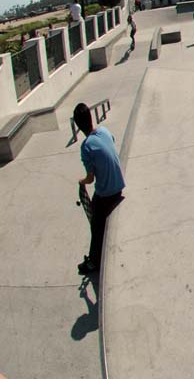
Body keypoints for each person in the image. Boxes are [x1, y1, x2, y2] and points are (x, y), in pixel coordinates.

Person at [73, 103, 125, 276]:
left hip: (107, 193)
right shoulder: (104, 131)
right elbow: (111, 143)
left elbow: (90, 178)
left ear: (79, 127)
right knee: (98, 212)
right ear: (91, 118)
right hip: (119, 183)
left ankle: (94, 262)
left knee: (96, 223)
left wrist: (81, 181)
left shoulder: (86, 147)